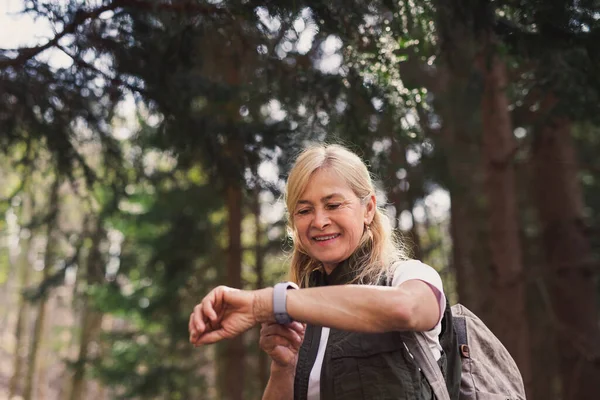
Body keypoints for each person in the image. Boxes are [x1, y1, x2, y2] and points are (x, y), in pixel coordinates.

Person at [189, 144, 460, 399]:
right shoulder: (298, 314)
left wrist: (265, 303)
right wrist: (284, 368)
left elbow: (406, 309)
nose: (319, 221)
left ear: (368, 209)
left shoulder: (408, 276)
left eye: (333, 205)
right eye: (304, 210)